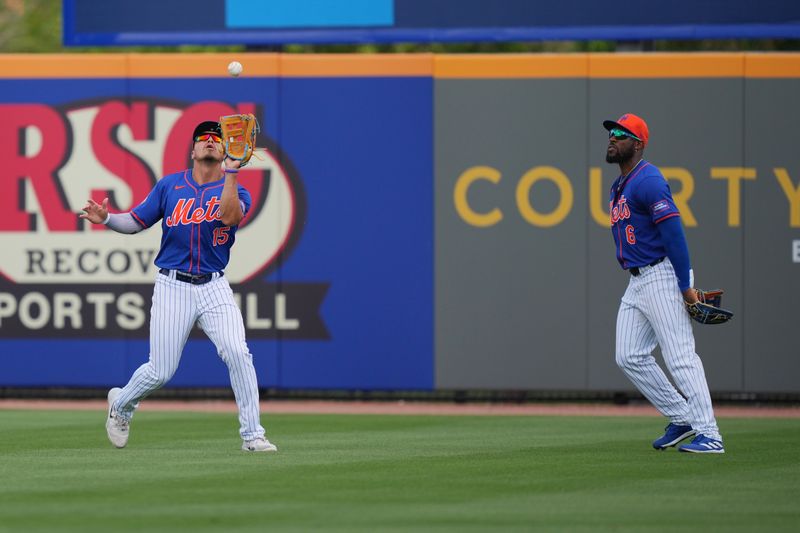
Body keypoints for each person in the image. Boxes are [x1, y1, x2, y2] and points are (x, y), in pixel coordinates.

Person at [80, 120, 277, 453]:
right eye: (204, 138)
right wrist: (108, 219)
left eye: (217, 138)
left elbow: (230, 217)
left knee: (238, 352)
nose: (211, 142)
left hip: (214, 284)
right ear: (193, 149)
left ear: (225, 149)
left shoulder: (237, 189)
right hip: (173, 283)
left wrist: (232, 172)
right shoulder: (170, 186)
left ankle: (252, 435)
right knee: (161, 370)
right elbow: (136, 222)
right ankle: (122, 404)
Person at [603, 113, 724, 454]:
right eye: (612, 132)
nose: (612, 138)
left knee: (680, 356)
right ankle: (682, 416)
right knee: (628, 355)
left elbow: (675, 235)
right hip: (637, 281)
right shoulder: (620, 185)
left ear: (638, 144)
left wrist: (685, 286)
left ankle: (710, 433)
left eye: (621, 134)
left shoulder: (649, 180)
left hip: (662, 275)